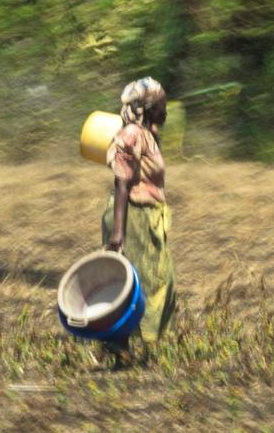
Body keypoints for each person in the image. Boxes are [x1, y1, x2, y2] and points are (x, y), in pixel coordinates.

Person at [103, 77, 175, 363]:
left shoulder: (148, 134)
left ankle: (122, 347)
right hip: (131, 215)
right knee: (136, 282)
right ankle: (117, 342)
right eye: (161, 105)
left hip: (148, 216)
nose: (166, 110)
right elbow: (122, 183)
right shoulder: (132, 134)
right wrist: (118, 233)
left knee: (158, 280)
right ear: (148, 107)